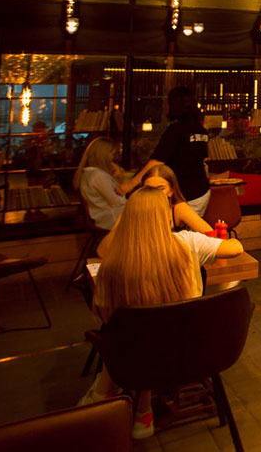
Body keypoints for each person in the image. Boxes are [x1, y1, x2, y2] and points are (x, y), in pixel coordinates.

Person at [83, 187, 243, 438]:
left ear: (128, 217)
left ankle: (112, 398)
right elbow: (235, 248)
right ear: (166, 217)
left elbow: (107, 318)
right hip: (194, 351)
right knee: (157, 330)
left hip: (134, 360)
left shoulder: (113, 262)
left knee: (134, 335)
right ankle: (141, 409)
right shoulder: (187, 243)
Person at [146, 86, 211, 217]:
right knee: (191, 227)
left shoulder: (176, 130)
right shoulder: (200, 129)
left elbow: (157, 161)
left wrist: (132, 183)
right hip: (201, 190)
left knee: (177, 228)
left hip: (184, 192)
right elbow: (204, 158)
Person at [73, 138, 149, 231]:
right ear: (103, 155)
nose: (113, 158)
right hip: (112, 219)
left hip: (106, 217)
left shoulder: (88, 174)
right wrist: (137, 202)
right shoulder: (98, 176)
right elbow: (115, 201)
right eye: (112, 154)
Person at [142, 165, 213, 233]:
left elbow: (210, 234)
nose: (154, 193)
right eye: (149, 189)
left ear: (171, 190)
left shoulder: (179, 208)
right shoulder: (139, 207)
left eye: (161, 189)